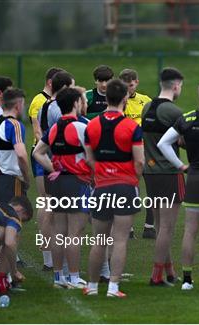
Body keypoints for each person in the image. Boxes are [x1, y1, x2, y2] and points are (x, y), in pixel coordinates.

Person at [157, 80, 199, 292]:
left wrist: (180, 165)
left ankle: (187, 280)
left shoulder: (185, 118)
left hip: (194, 176)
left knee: (190, 231)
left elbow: (162, 143)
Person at [83, 79, 144, 298]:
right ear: (125, 98)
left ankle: (91, 286)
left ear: (106, 97)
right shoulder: (132, 126)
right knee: (119, 240)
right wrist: (131, 177)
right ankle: (113, 287)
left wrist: (102, 172)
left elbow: (89, 159)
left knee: (99, 240)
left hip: (100, 187)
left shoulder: (91, 125)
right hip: (125, 186)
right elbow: (139, 162)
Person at [33, 87, 91, 289]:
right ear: (75, 103)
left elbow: (37, 153)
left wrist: (55, 168)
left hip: (57, 182)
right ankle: (74, 277)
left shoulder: (55, 128)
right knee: (75, 233)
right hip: (77, 183)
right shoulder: (81, 128)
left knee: (60, 232)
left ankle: (59, 277)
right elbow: (92, 159)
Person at [141, 67, 184, 286]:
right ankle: (156, 275)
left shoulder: (147, 106)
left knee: (159, 226)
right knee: (167, 228)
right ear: (176, 85)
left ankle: (169, 271)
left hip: (149, 173)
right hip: (168, 172)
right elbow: (183, 141)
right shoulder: (173, 112)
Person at [27, 67, 63, 271]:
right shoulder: (40, 101)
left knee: (51, 204)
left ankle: (50, 257)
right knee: (47, 203)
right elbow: (38, 132)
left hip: (45, 154)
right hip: (45, 156)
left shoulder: (48, 103)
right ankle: (48, 256)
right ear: (51, 82)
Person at [119, 68, 154, 239]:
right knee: (130, 187)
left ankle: (149, 225)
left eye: (131, 85)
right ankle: (129, 227)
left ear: (137, 83)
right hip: (125, 150)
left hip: (145, 148)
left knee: (152, 186)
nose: (129, 88)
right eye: (125, 85)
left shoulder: (146, 101)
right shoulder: (117, 101)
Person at [0, 88, 29, 203]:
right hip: (11, 180)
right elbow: (21, 154)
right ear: (18, 105)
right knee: (14, 218)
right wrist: (26, 178)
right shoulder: (14, 125)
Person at [0, 196, 33, 294]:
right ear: (21, 210)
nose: (21, 223)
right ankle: (1, 280)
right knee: (8, 234)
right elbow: (9, 243)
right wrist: (14, 271)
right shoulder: (14, 216)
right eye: (23, 220)